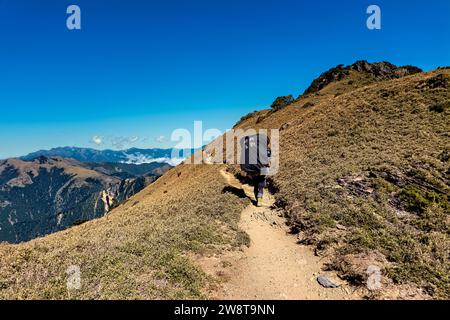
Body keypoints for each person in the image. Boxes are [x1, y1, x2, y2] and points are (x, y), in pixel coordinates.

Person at [240, 134, 271, 207]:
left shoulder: (247, 148)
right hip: (261, 169)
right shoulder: (265, 149)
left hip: (251, 170)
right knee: (261, 183)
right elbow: (267, 159)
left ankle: (257, 199)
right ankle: (260, 199)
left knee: (255, 184)